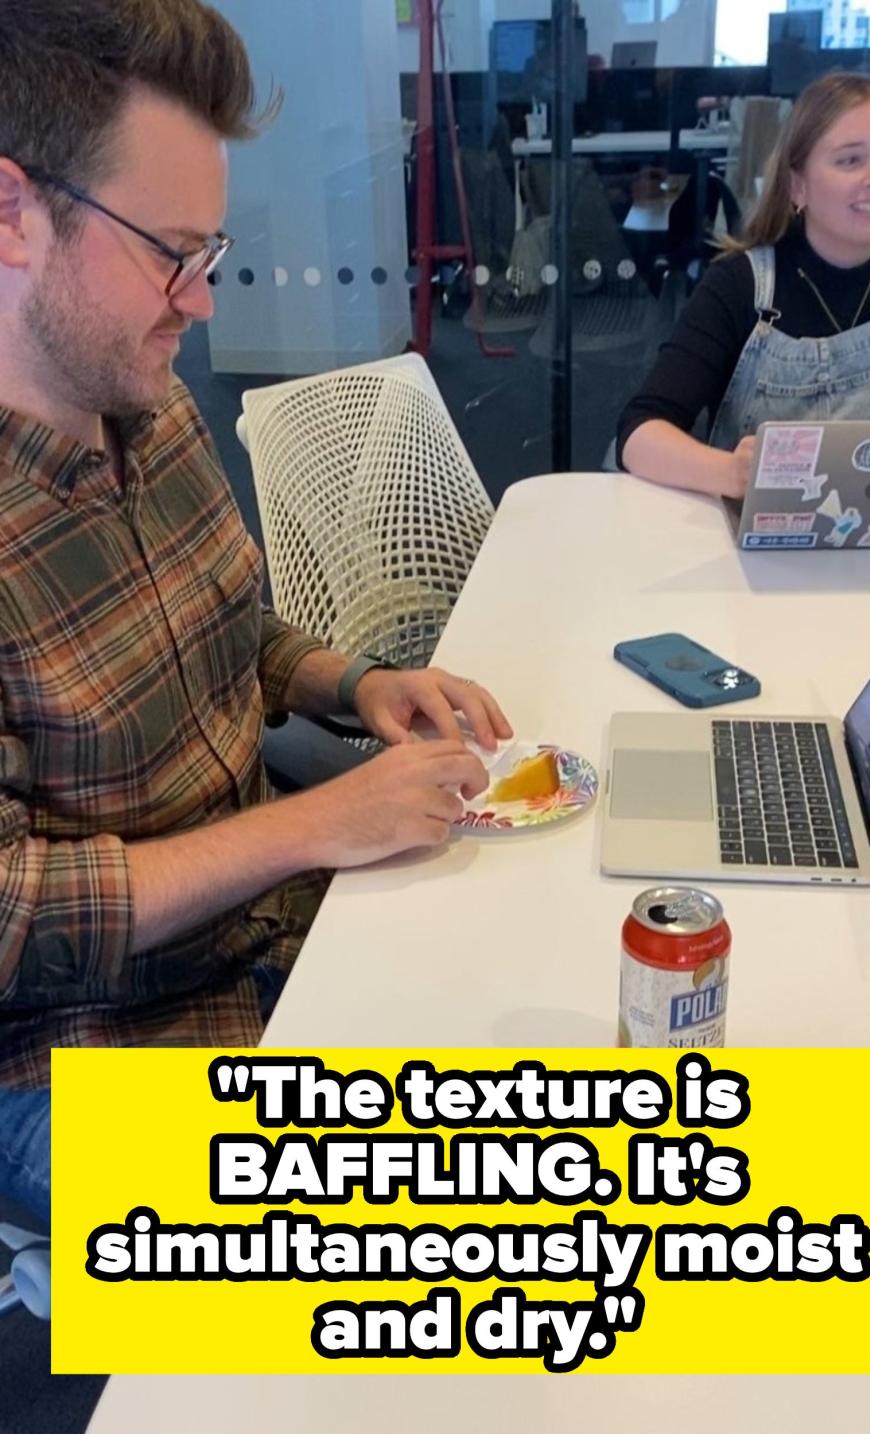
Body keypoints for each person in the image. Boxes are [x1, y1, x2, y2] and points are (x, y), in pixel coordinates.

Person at [0, 0, 513, 1161]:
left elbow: (224, 614)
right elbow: (13, 915)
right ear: (13, 215)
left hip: (264, 935)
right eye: (171, 254)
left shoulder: (146, 395)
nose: (203, 301)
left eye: (210, 254)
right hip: (75, 1057)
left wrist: (351, 683)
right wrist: (312, 827)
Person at [617, 71, 870, 499]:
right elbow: (639, 433)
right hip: (749, 549)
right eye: (850, 160)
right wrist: (732, 473)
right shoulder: (738, 284)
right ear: (797, 184)